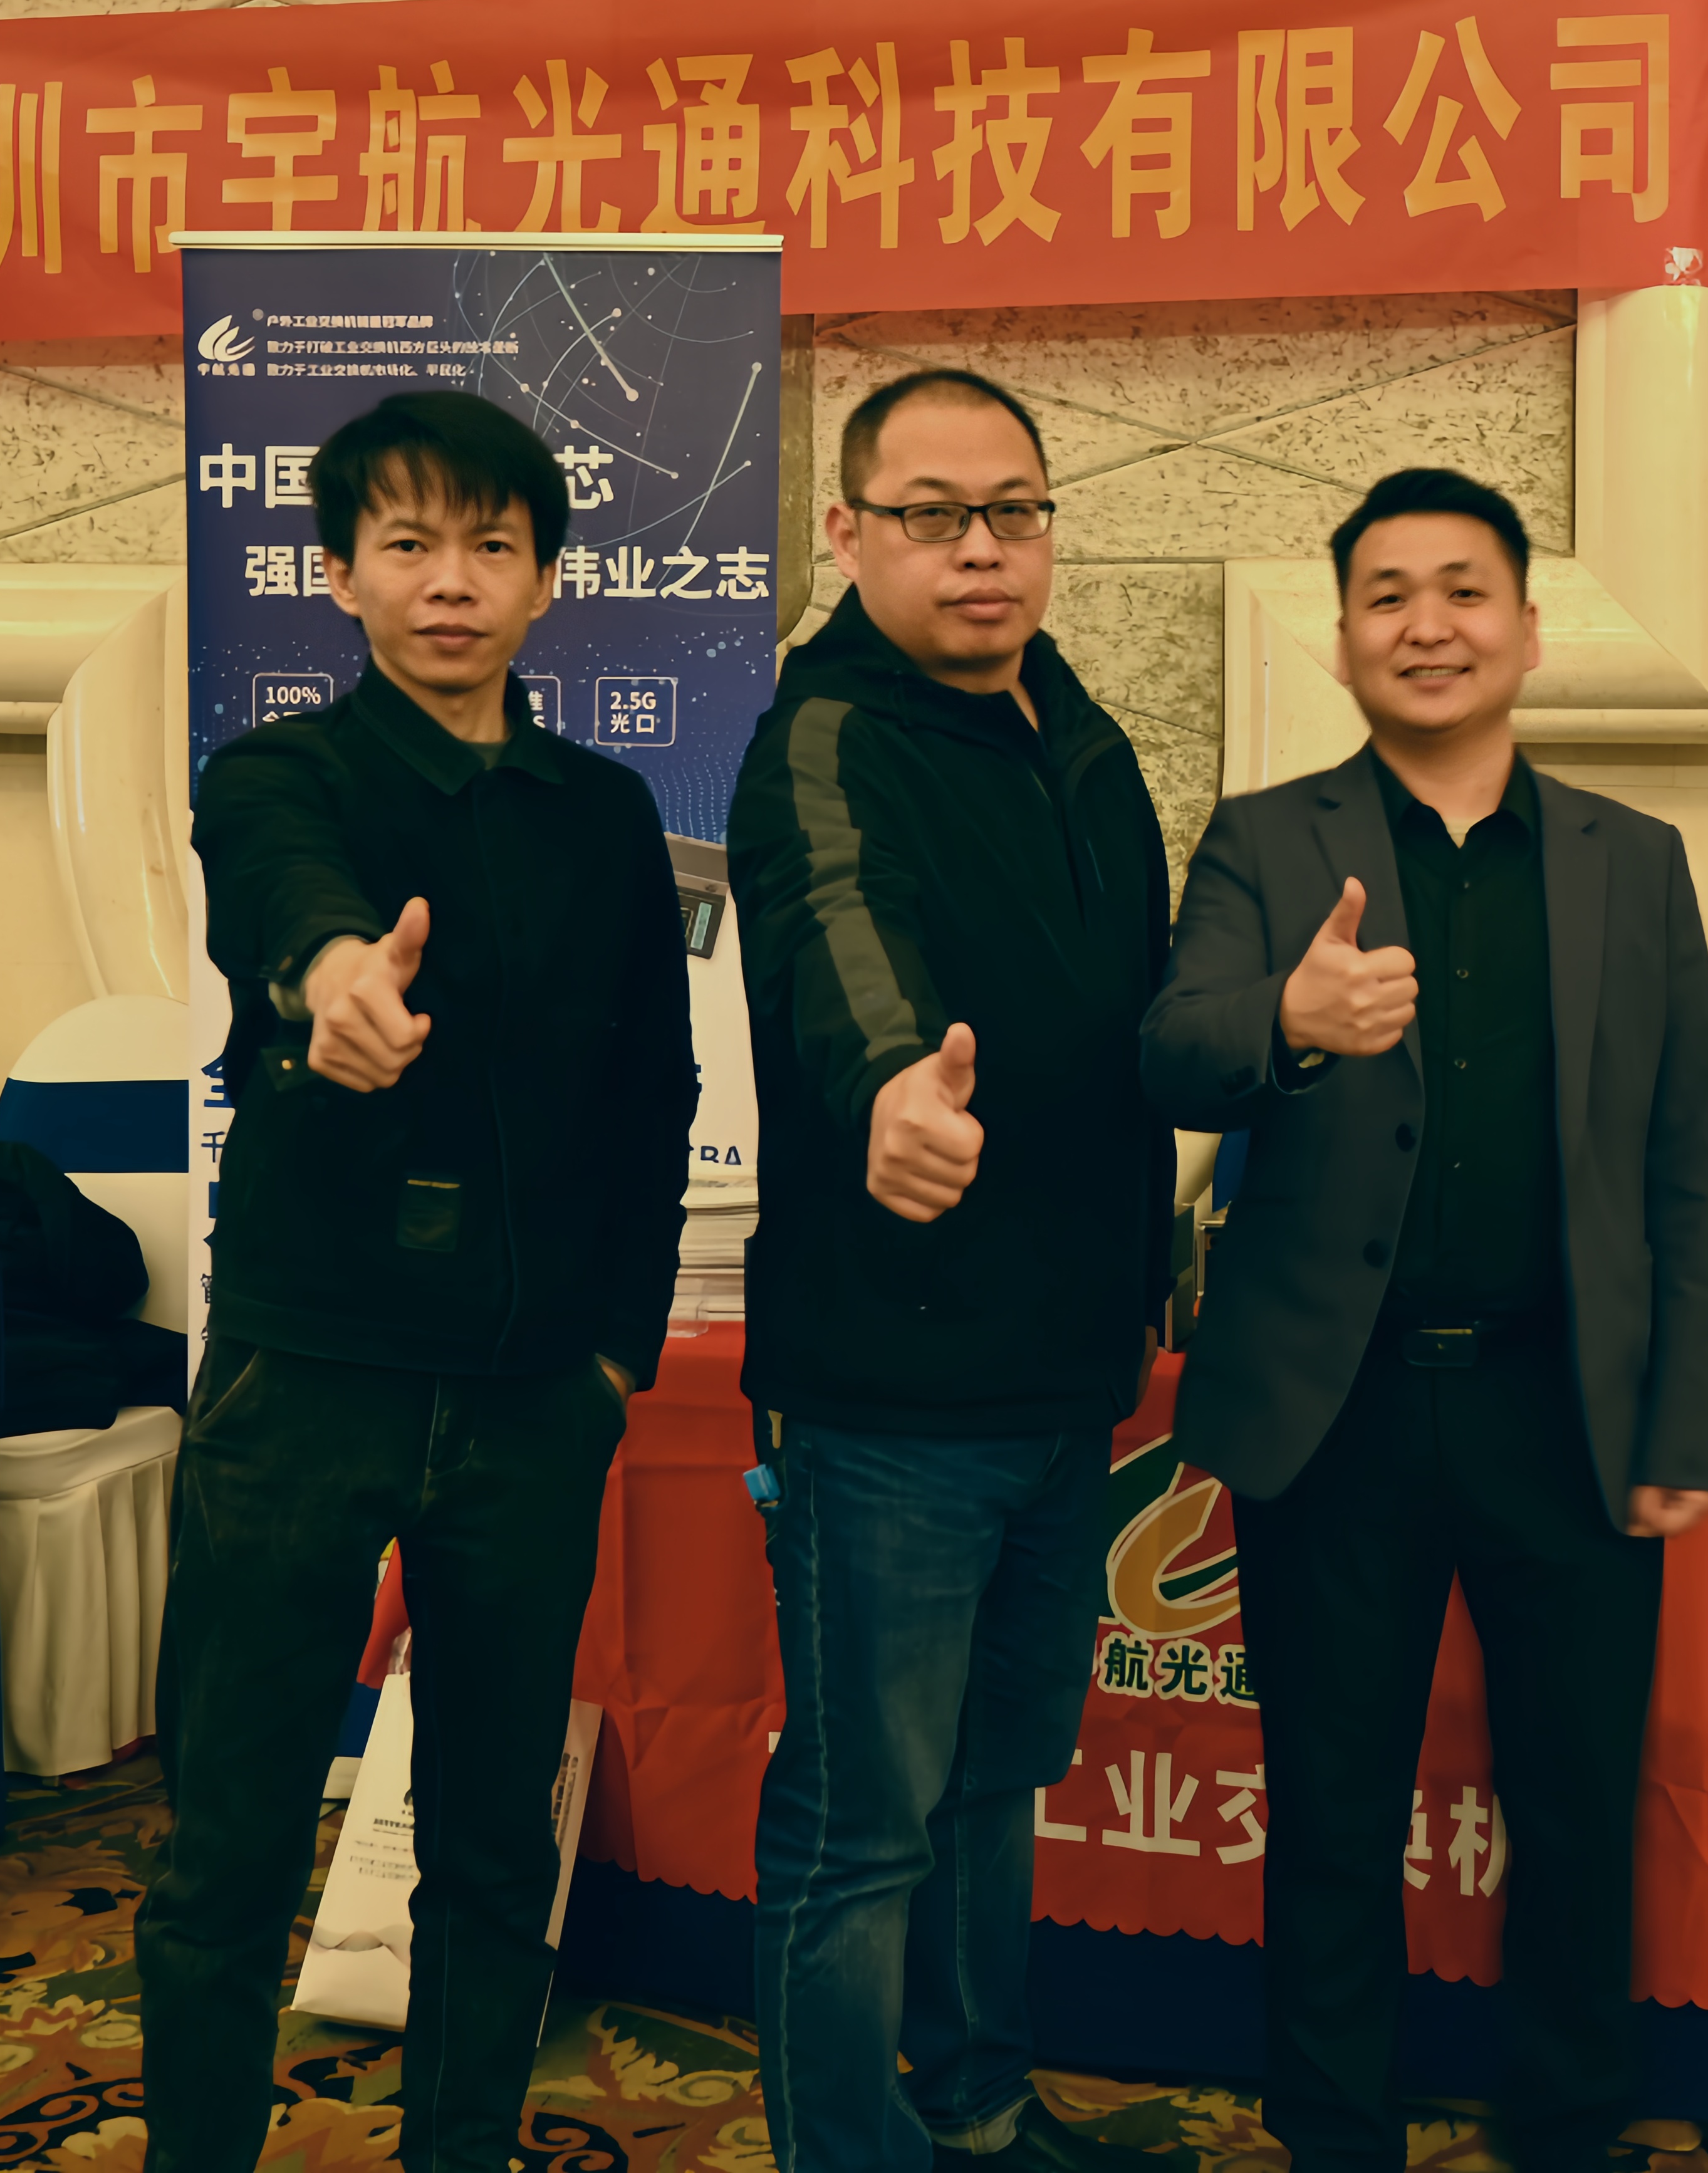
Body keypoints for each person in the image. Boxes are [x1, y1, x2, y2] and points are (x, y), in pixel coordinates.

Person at [1139, 467, 1708, 2173]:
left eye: (1464, 591)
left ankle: (1566, 2129)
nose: (1428, 625)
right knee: (1334, 1810)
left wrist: (1687, 1416)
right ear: (1341, 641)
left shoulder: (1636, 863)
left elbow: (1686, 1158)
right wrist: (1288, 1015)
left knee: (1577, 1807)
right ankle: (1334, 2135)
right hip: (1337, 1413)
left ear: (1530, 632)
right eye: (1388, 595)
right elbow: (1170, 1050)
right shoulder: (1266, 841)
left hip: (1568, 1406)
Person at [142, 391, 698, 2173]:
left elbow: (655, 1093)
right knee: (232, 1833)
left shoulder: (606, 813)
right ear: (341, 576)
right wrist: (332, 981)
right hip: (307, 1376)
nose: (449, 582)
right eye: (407, 544)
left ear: (544, 581)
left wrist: (613, 1354)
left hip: (533, 1393)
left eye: (490, 546)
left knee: (489, 1842)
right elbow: (286, 900)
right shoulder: (278, 777)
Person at [724, 367, 1174, 2173]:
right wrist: (894, 1085)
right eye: (932, 514)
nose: (981, 549)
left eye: (1015, 510)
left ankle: (980, 2114)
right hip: (890, 1395)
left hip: (1063, 1376)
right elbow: (839, 932)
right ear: (849, 533)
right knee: (864, 1823)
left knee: (996, 1785)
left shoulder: (1081, 735)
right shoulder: (826, 734)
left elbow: (1140, 1013)